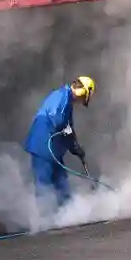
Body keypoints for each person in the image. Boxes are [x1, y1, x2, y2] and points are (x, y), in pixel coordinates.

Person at [23, 76, 96, 210]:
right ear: (82, 91)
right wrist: (68, 134)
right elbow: (58, 121)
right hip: (43, 146)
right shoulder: (61, 96)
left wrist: (75, 148)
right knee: (43, 183)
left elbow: (68, 128)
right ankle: (43, 220)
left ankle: (67, 215)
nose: (81, 101)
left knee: (61, 182)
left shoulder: (67, 102)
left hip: (53, 150)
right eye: (84, 96)